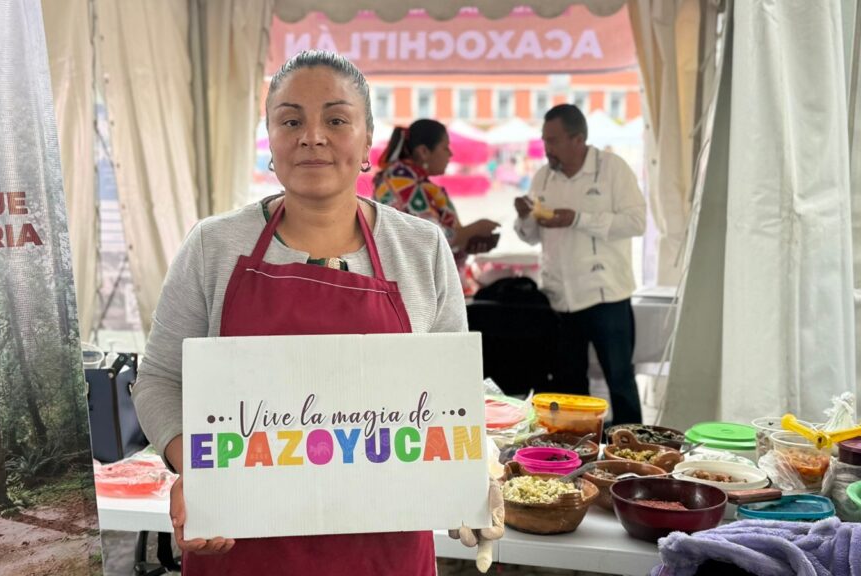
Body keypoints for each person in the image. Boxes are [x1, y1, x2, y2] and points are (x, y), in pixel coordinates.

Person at [132, 50, 500, 576]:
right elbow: (160, 380)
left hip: (384, 553)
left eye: (336, 120)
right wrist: (201, 473)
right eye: (290, 121)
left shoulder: (421, 248)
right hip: (239, 546)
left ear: (367, 139)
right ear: (270, 139)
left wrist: (472, 471)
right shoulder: (214, 245)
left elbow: (450, 398)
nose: (312, 137)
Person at [513, 104, 646, 425]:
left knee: (619, 380)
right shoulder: (544, 177)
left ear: (578, 139)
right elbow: (530, 237)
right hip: (560, 298)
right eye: (544, 140)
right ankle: (577, 444)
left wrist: (578, 219)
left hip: (606, 295)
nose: (547, 148)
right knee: (569, 384)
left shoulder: (612, 169)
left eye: (553, 140)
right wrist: (524, 217)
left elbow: (636, 222)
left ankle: (632, 443)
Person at [372, 119, 499, 279]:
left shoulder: (410, 180)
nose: (450, 154)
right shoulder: (400, 183)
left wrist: (467, 243)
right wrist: (475, 229)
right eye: (445, 147)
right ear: (423, 151)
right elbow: (431, 237)